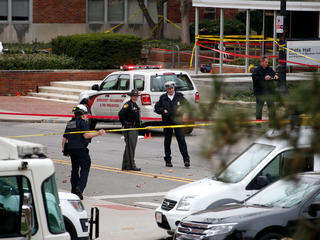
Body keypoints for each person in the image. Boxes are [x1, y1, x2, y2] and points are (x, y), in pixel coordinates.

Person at [62, 104, 105, 200]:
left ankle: (73, 190)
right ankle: (79, 188)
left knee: (75, 169)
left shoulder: (70, 123)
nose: (86, 116)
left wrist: (65, 151)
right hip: (81, 149)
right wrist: (98, 133)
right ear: (82, 114)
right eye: (85, 114)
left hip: (71, 150)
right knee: (85, 168)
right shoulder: (83, 123)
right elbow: (86, 136)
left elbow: (64, 139)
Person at [154, 81, 190, 168]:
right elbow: (157, 108)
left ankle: (186, 160)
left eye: (172, 88)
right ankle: (168, 160)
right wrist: (163, 110)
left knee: (181, 140)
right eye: (169, 88)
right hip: (167, 122)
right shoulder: (163, 98)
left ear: (174, 88)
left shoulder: (179, 96)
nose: (170, 90)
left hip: (178, 121)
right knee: (167, 141)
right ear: (166, 89)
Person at [118, 89, 141, 171]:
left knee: (128, 147)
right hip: (130, 128)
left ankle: (125, 165)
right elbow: (120, 114)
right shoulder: (128, 104)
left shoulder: (134, 104)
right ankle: (131, 165)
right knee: (131, 148)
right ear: (131, 96)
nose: (135, 97)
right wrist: (124, 124)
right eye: (134, 96)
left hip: (134, 128)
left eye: (136, 96)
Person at [252, 56, 279, 120]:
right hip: (260, 92)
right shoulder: (256, 70)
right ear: (262, 62)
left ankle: (272, 123)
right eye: (266, 62)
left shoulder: (269, 69)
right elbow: (255, 79)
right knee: (259, 108)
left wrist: (276, 76)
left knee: (271, 107)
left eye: (267, 62)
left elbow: (274, 74)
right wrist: (264, 78)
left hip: (269, 91)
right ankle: (258, 123)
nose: (267, 63)